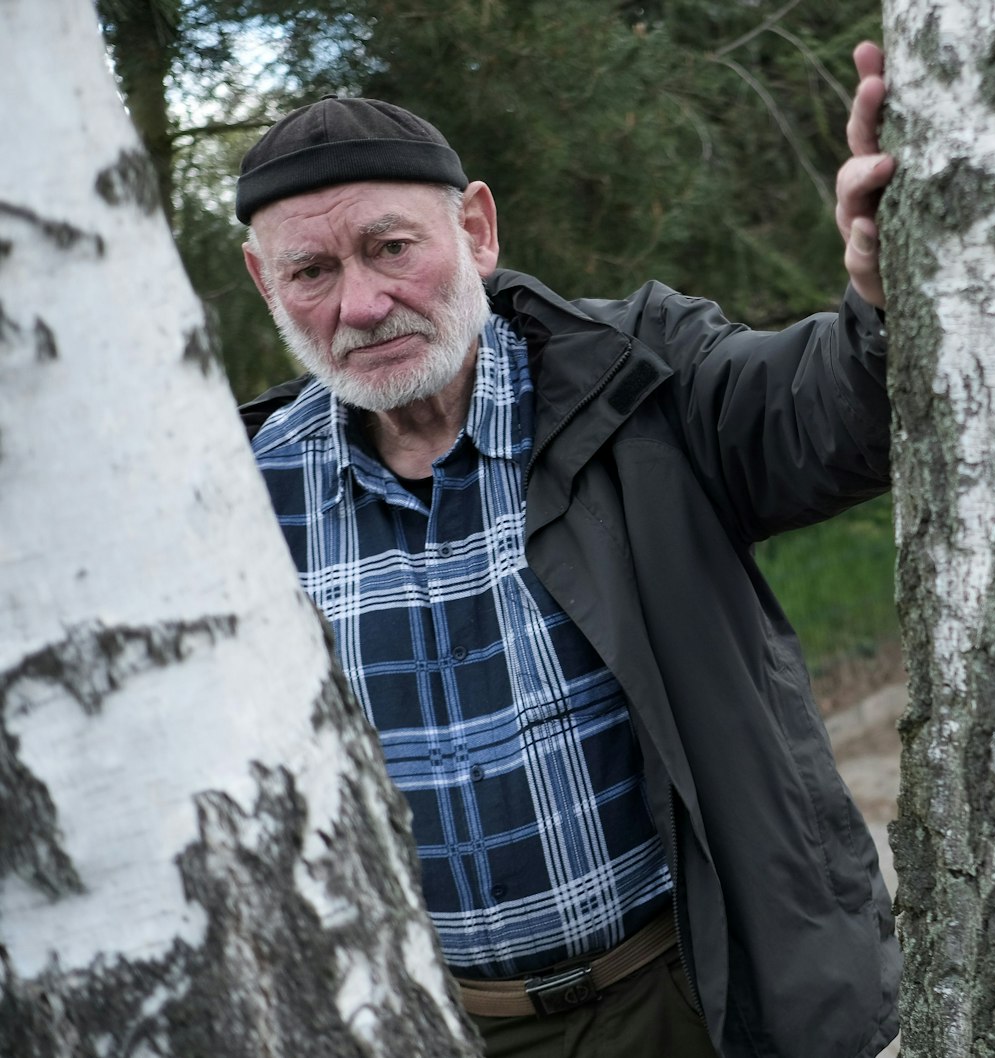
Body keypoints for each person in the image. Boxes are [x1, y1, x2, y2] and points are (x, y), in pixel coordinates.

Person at [235, 44, 898, 1058]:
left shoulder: (633, 377)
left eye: (389, 248)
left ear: (476, 229)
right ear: (263, 281)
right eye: (313, 271)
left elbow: (830, 415)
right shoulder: (236, 495)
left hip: (684, 998)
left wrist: (884, 296)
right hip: (422, 1027)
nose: (360, 305)